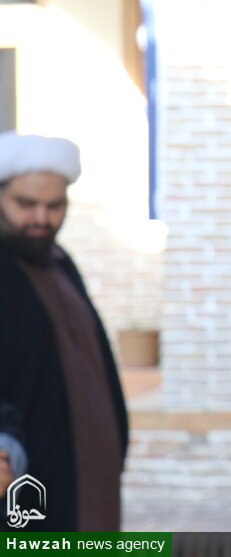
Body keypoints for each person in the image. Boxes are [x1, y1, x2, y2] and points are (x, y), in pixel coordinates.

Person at [0, 132, 128, 531]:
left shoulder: (59, 263)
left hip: (82, 484)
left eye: (54, 206)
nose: (42, 218)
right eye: (26, 204)